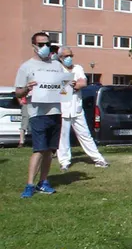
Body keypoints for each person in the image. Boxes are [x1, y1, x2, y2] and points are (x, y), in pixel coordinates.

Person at [15, 32, 64, 198]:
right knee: (39, 149)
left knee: (50, 150)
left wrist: (69, 85)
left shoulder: (57, 65)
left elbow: (63, 88)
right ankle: (30, 184)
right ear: (34, 46)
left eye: (47, 44)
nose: (45, 47)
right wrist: (28, 88)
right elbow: (18, 93)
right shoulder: (26, 67)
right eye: (41, 44)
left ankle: (43, 182)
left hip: (55, 111)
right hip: (37, 112)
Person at [56, 47, 109, 171]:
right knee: (63, 137)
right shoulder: (57, 69)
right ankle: (64, 161)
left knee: (85, 134)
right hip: (63, 108)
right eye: (65, 56)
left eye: (70, 55)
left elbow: (83, 83)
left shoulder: (78, 68)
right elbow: (60, 87)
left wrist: (72, 84)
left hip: (77, 108)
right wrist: (71, 84)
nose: (69, 58)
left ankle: (98, 159)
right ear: (60, 58)